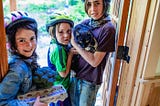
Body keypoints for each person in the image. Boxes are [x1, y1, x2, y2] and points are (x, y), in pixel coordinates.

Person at [70, 0, 116, 106]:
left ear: (105, 4)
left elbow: (94, 61)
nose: (93, 9)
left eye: (97, 3)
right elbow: (72, 34)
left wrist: (76, 45)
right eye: (89, 4)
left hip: (90, 81)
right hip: (76, 75)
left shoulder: (108, 29)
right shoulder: (87, 23)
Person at [0, 11, 47, 106]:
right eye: (22, 40)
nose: (29, 45)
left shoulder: (27, 60)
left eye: (32, 38)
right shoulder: (18, 68)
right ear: (11, 44)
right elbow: (3, 102)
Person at [46, 12, 75, 106]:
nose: (66, 35)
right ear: (53, 33)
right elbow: (63, 74)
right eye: (61, 32)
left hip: (54, 89)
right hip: (60, 92)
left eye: (68, 31)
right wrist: (70, 54)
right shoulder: (58, 50)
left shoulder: (54, 44)